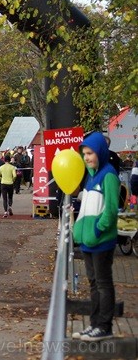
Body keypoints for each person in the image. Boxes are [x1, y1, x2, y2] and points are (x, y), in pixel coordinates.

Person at [71, 132, 120, 342]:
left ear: (100, 152)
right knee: (93, 284)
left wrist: (98, 230)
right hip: (89, 241)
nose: (87, 157)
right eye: (84, 154)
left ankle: (104, 326)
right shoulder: (91, 176)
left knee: (102, 283)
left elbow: (110, 209)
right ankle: (94, 324)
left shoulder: (109, 175)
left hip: (100, 241)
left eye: (90, 153)